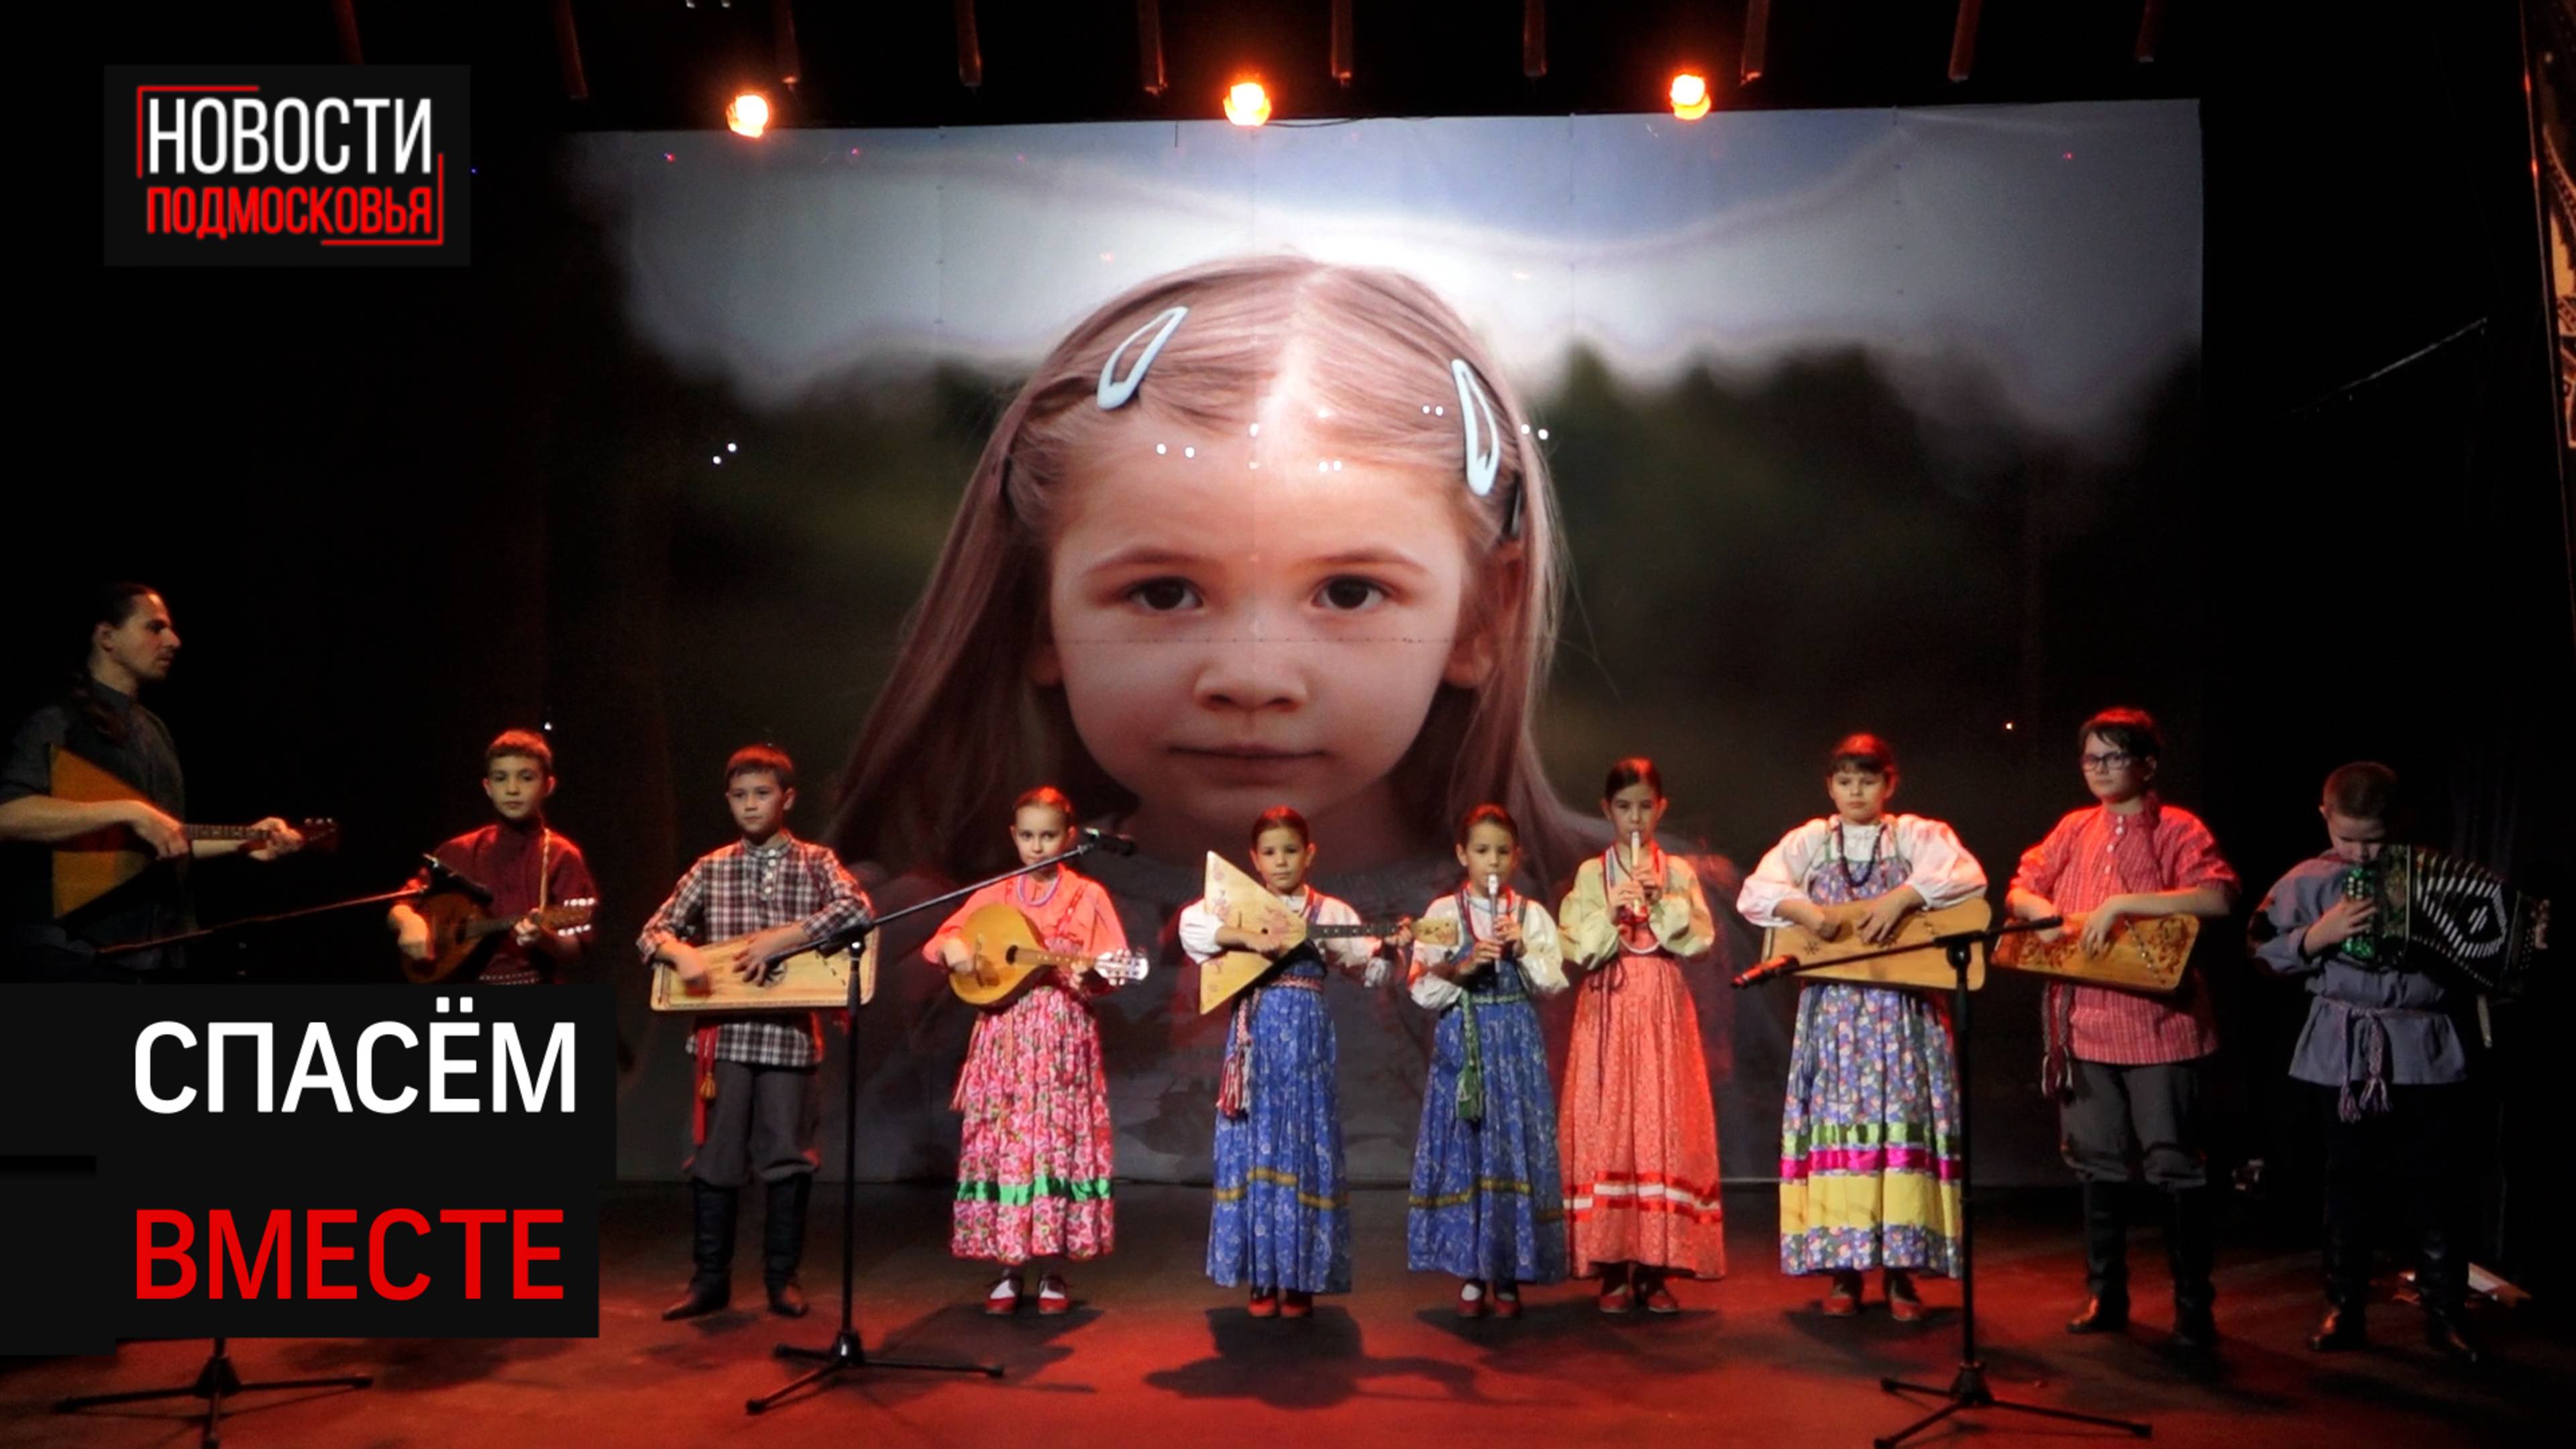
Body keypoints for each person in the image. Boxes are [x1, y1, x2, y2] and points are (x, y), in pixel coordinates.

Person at [2006, 707, 2239, 1352]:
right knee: (2097, 1161)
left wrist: (2123, 902)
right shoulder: (2074, 828)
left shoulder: (2176, 826)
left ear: (2147, 764)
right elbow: (2022, 885)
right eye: (2091, 759)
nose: (2101, 770)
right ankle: (2106, 1293)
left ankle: (2194, 1305)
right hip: (2085, 1022)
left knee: (2171, 1162)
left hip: (2159, 1023)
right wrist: (2039, 909)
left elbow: (2219, 895)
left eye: (2114, 758)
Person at [1736, 734, 1987, 1320]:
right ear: (1830, 787)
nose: (1856, 791)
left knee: (1898, 1128)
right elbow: (1757, 892)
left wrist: (1903, 897)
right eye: (1845, 781)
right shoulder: (1812, 842)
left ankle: (1902, 1273)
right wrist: (1807, 913)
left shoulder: (1915, 837)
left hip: (1900, 1016)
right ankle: (1844, 1272)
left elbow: (1966, 876)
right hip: (1836, 1016)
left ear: (1889, 785)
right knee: (1842, 1130)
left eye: (1868, 781)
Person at [2247, 762, 2482, 1363]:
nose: (2359, 853)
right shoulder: (2306, 880)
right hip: (2345, 1046)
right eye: (2347, 838)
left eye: (2374, 841)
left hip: (2425, 1048)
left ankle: (2444, 1312)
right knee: (2349, 1180)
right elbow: (2262, 952)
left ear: (2400, 823)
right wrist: (2317, 937)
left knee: (2436, 1184)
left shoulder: (2436, 875)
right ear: (2324, 817)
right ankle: (2344, 1306)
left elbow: (2483, 952)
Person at [639, 745, 869, 1321]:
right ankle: (709, 1280)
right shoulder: (712, 867)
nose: (750, 804)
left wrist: (783, 939)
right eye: (740, 795)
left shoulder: (815, 861)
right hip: (725, 1039)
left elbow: (856, 909)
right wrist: (677, 953)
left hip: (789, 1037)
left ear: (786, 799)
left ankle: (780, 1279)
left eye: (761, 794)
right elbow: (652, 930)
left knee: (787, 1157)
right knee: (715, 1159)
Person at [0, 582, 303, 979]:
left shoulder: (154, 731)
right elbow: (8, 816)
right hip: (71, 955)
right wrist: (129, 811)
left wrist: (247, 840)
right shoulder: (59, 721)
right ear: (107, 637)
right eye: (154, 628)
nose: (174, 641)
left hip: (149, 957)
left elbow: (162, 840)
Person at [1177, 806, 1401, 1317]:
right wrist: (1247, 938)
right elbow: (1194, 928)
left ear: (1310, 853)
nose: (1281, 862)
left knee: (1302, 1147)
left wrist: (1387, 949)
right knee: (1255, 1147)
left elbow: (1369, 970)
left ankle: (1300, 1277)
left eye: (1291, 851)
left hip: (1304, 1039)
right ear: (1255, 859)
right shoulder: (1236, 905)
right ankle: (1261, 1277)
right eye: (1271, 853)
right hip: (1255, 1039)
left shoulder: (1330, 913)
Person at [922, 787, 1127, 1316]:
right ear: (1014, 837)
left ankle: (1054, 1270)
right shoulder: (997, 893)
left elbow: (1113, 963)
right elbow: (944, 938)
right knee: (1008, 1145)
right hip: (1005, 1036)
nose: (1039, 847)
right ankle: (1007, 1268)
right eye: (1029, 836)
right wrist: (956, 950)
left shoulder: (1088, 896)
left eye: (1050, 836)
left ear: (1071, 837)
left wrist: (1095, 969)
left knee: (1054, 1144)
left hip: (1061, 1040)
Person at [1557, 758, 1725, 1313]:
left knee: (1661, 1125)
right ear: (1607, 811)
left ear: (1661, 809)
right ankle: (1610, 1266)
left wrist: (1661, 901)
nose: (1636, 818)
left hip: (1660, 1008)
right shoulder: (1590, 874)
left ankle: (1655, 1265)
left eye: (1646, 807)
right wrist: (1610, 908)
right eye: (1624, 808)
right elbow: (1576, 947)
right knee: (1610, 1125)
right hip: (1607, 1006)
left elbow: (1699, 939)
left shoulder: (1677, 870)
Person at [1405, 804, 1568, 1318]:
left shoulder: (1530, 915)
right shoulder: (1441, 913)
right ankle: (1472, 1273)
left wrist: (1521, 952)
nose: (1492, 862)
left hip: (1515, 1043)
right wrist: (1462, 967)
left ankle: (1509, 1270)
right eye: (1481, 851)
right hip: (1467, 1042)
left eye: (1502, 851)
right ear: (1462, 855)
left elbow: (1553, 982)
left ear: (1516, 856)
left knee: (1509, 1148)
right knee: (1469, 1149)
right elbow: (1422, 988)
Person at [386, 729, 596, 985]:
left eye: (526, 778)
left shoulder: (561, 855)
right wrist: (409, 922)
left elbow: (576, 949)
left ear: (548, 786)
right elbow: (401, 905)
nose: (512, 789)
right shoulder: (458, 850)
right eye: (500, 778)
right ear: (487, 787)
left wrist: (544, 939)